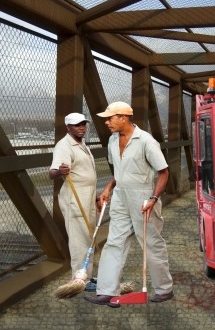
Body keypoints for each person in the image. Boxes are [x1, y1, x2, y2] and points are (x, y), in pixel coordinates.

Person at [84, 101, 174, 305]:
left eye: (110, 118)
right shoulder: (112, 141)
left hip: (144, 198)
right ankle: (107, 291)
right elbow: (119, 171)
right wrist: (108, 188)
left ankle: (164, 289)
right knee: (114, 241)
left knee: (151, 244)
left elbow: (163, 172)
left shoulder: (146, 141)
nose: (107, 122)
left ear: (123, 117)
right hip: (120, 197)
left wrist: (153, 198)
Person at [49, 112, 98, 292]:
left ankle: (88, 275)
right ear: (68, 127)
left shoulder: (81, 143)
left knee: (88, 236)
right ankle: (80, 279)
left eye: (84, 124)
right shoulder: (64, 146)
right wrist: (60, 171)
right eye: (77, 125)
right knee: (79, 240)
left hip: (88, 196)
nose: (82, 127)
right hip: (75, 198)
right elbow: (52, 172)